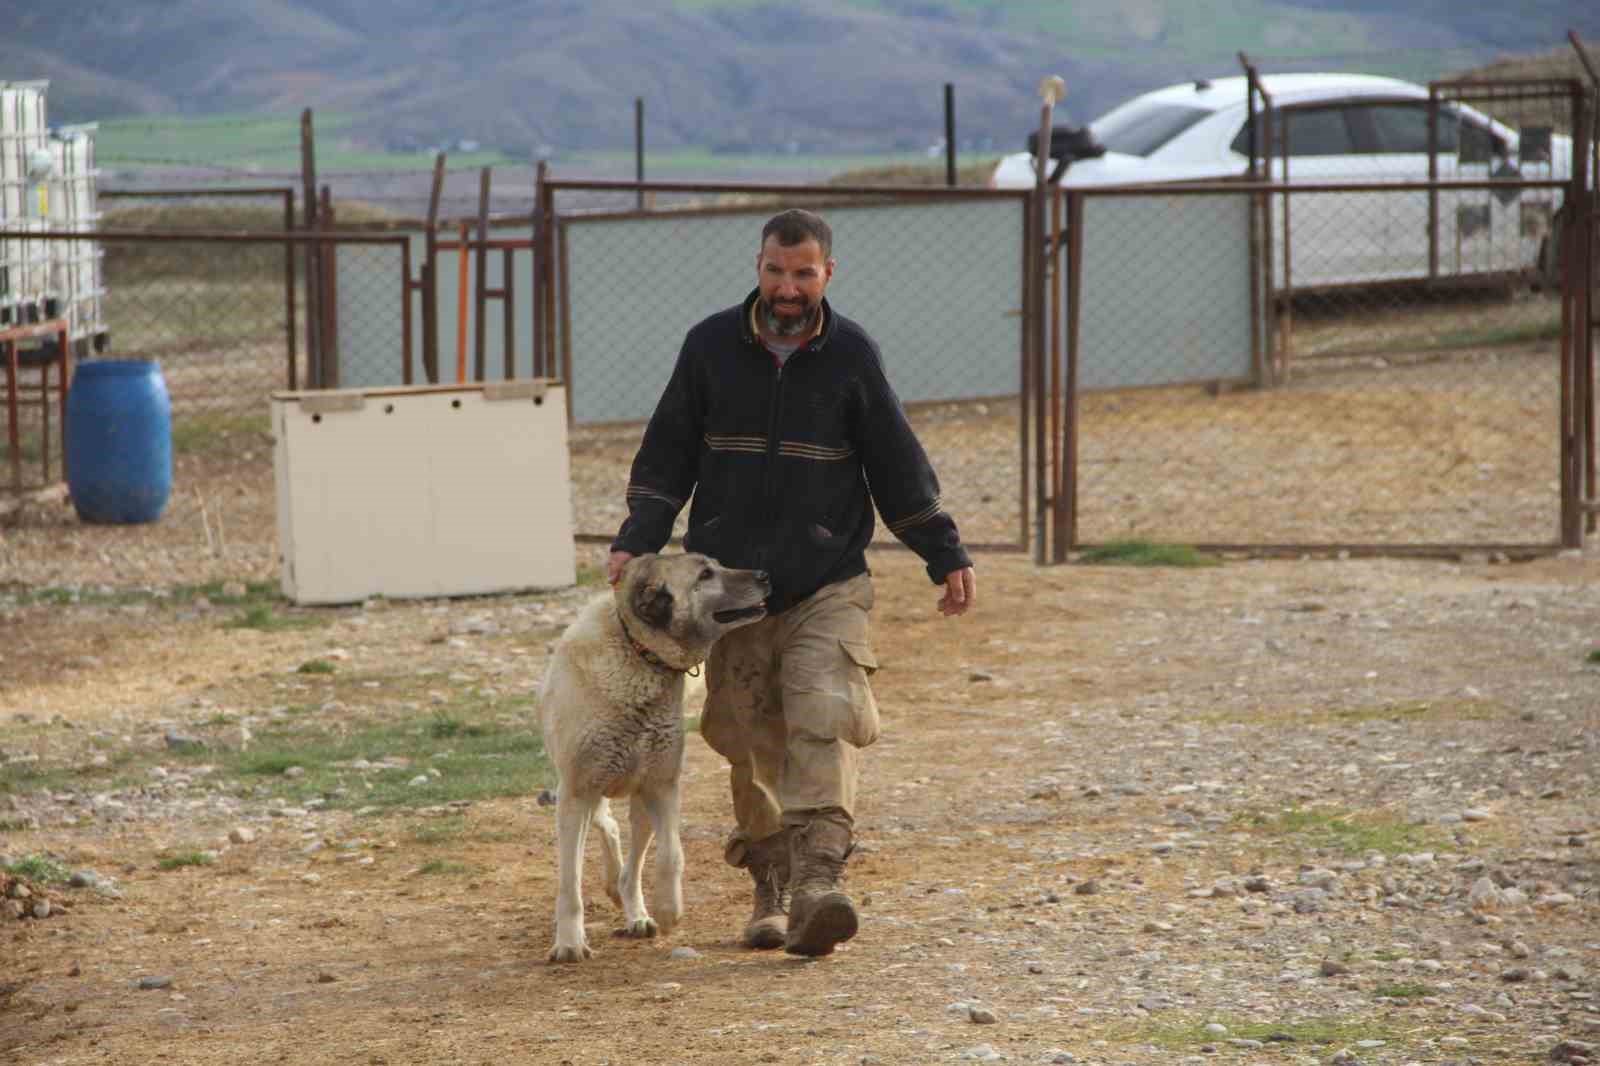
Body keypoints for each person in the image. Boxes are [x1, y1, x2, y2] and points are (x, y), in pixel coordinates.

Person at [607, 208, 976, 958]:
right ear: (758, 266)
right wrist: (638, 540)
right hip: (730, 592)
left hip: (827, 581)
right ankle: (770, 885)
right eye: (776, 271)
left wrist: (943, 550)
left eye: (803, 273)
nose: (787, 287)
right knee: (748, 740)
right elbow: (668, 453)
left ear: (826, 275)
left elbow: (896, 463)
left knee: (827, 713)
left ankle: (819, 885)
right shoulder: (710, 346)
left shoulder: (851, 356)